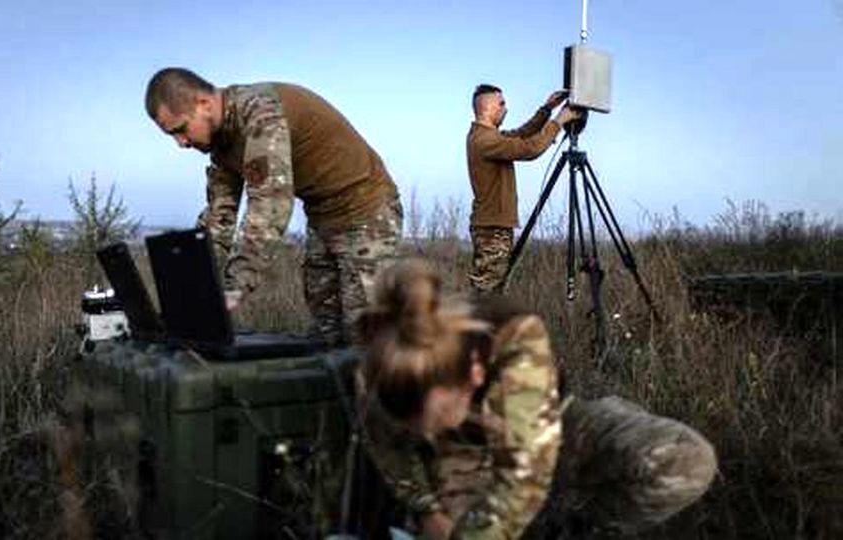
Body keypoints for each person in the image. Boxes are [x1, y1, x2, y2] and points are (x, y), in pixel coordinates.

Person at [355, 259, 717, 539]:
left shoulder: (515, 335)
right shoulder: (388, 360)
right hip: (463, 457)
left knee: (684, 461)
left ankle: (577, 526)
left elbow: (525, 472)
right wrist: (427, 509)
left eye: (438, 417)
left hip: (552, 426)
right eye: (416, 428)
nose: (427, 432)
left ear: (475, 374)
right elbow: (387, 447)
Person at [145, 68, 402, 346]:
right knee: (327, 332)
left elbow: (270, 209)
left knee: (366, 336)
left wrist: (233, 289)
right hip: (322, 219)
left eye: (181, 129)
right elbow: (219, 219)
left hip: (368, 213)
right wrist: (194, 285)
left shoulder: (261, 115)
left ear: (204, 104)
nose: (181, 143)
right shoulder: (220, 143)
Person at [466, 85, 581, 295]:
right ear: (487, 107)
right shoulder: (485, 140)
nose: (505, 108)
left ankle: (485, 326)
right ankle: (472, 328)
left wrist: (546, 109)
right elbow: (529, 149)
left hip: (493, 227)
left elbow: (522, 134)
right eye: (501, 103)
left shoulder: (488, 136)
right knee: (485, 295)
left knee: (492, 293)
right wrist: (558, 121)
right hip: (492, 230)